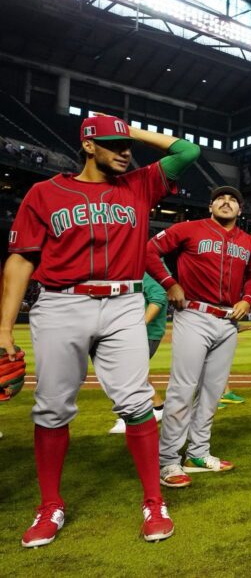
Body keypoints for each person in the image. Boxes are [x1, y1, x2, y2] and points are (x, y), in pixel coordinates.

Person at [1, 114, 199, 547]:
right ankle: (50, 505)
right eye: (112, 144)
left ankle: (153, 500)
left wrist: (130, 132)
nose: (124, 151)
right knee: (52, 408)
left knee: (136, 401)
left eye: (126, 144)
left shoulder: (140, 185)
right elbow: (20, 260)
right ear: (88, 146)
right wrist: (4, 330)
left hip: (124, 302)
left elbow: (189, 151)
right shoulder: (44, 192)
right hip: (61, 302)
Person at [146, 186, 251, 488]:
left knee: (211, 394)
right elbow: (149, 250)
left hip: (228, 322)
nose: (227, 202)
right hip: (194, 315)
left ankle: (197, 452)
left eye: (233, 200)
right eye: (221, 198)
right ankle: (168, 460)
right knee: (183, 390)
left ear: (240, 210)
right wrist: (170, 283)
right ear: (211, 206)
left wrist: (248, 299)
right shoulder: (189, 228)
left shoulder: (248, 242)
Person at [109, 273, 168, 434]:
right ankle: (158, 407)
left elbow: (159, 296)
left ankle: (128, 417)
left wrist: (138, 325)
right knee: (134, 373)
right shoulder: (142, 268)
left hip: (145, 334)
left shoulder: (143, 270)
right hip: (144, 333)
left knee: (123, 374)